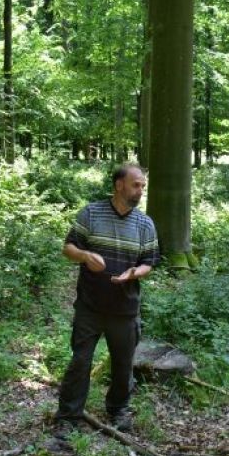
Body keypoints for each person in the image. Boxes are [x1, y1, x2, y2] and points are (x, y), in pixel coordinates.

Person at [53, 164, 160, 435]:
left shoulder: (145, 224)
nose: (140, 191)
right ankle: (68, 416)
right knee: (80, 361)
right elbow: (69, 247)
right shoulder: (91, 213)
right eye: (136, 185)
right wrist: (86, 256)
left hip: (125, 308)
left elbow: (149, 262)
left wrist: (135, 272)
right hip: (90, 305)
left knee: (123, 364)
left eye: (143, 186)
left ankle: (118, 410)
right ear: (119, 185)